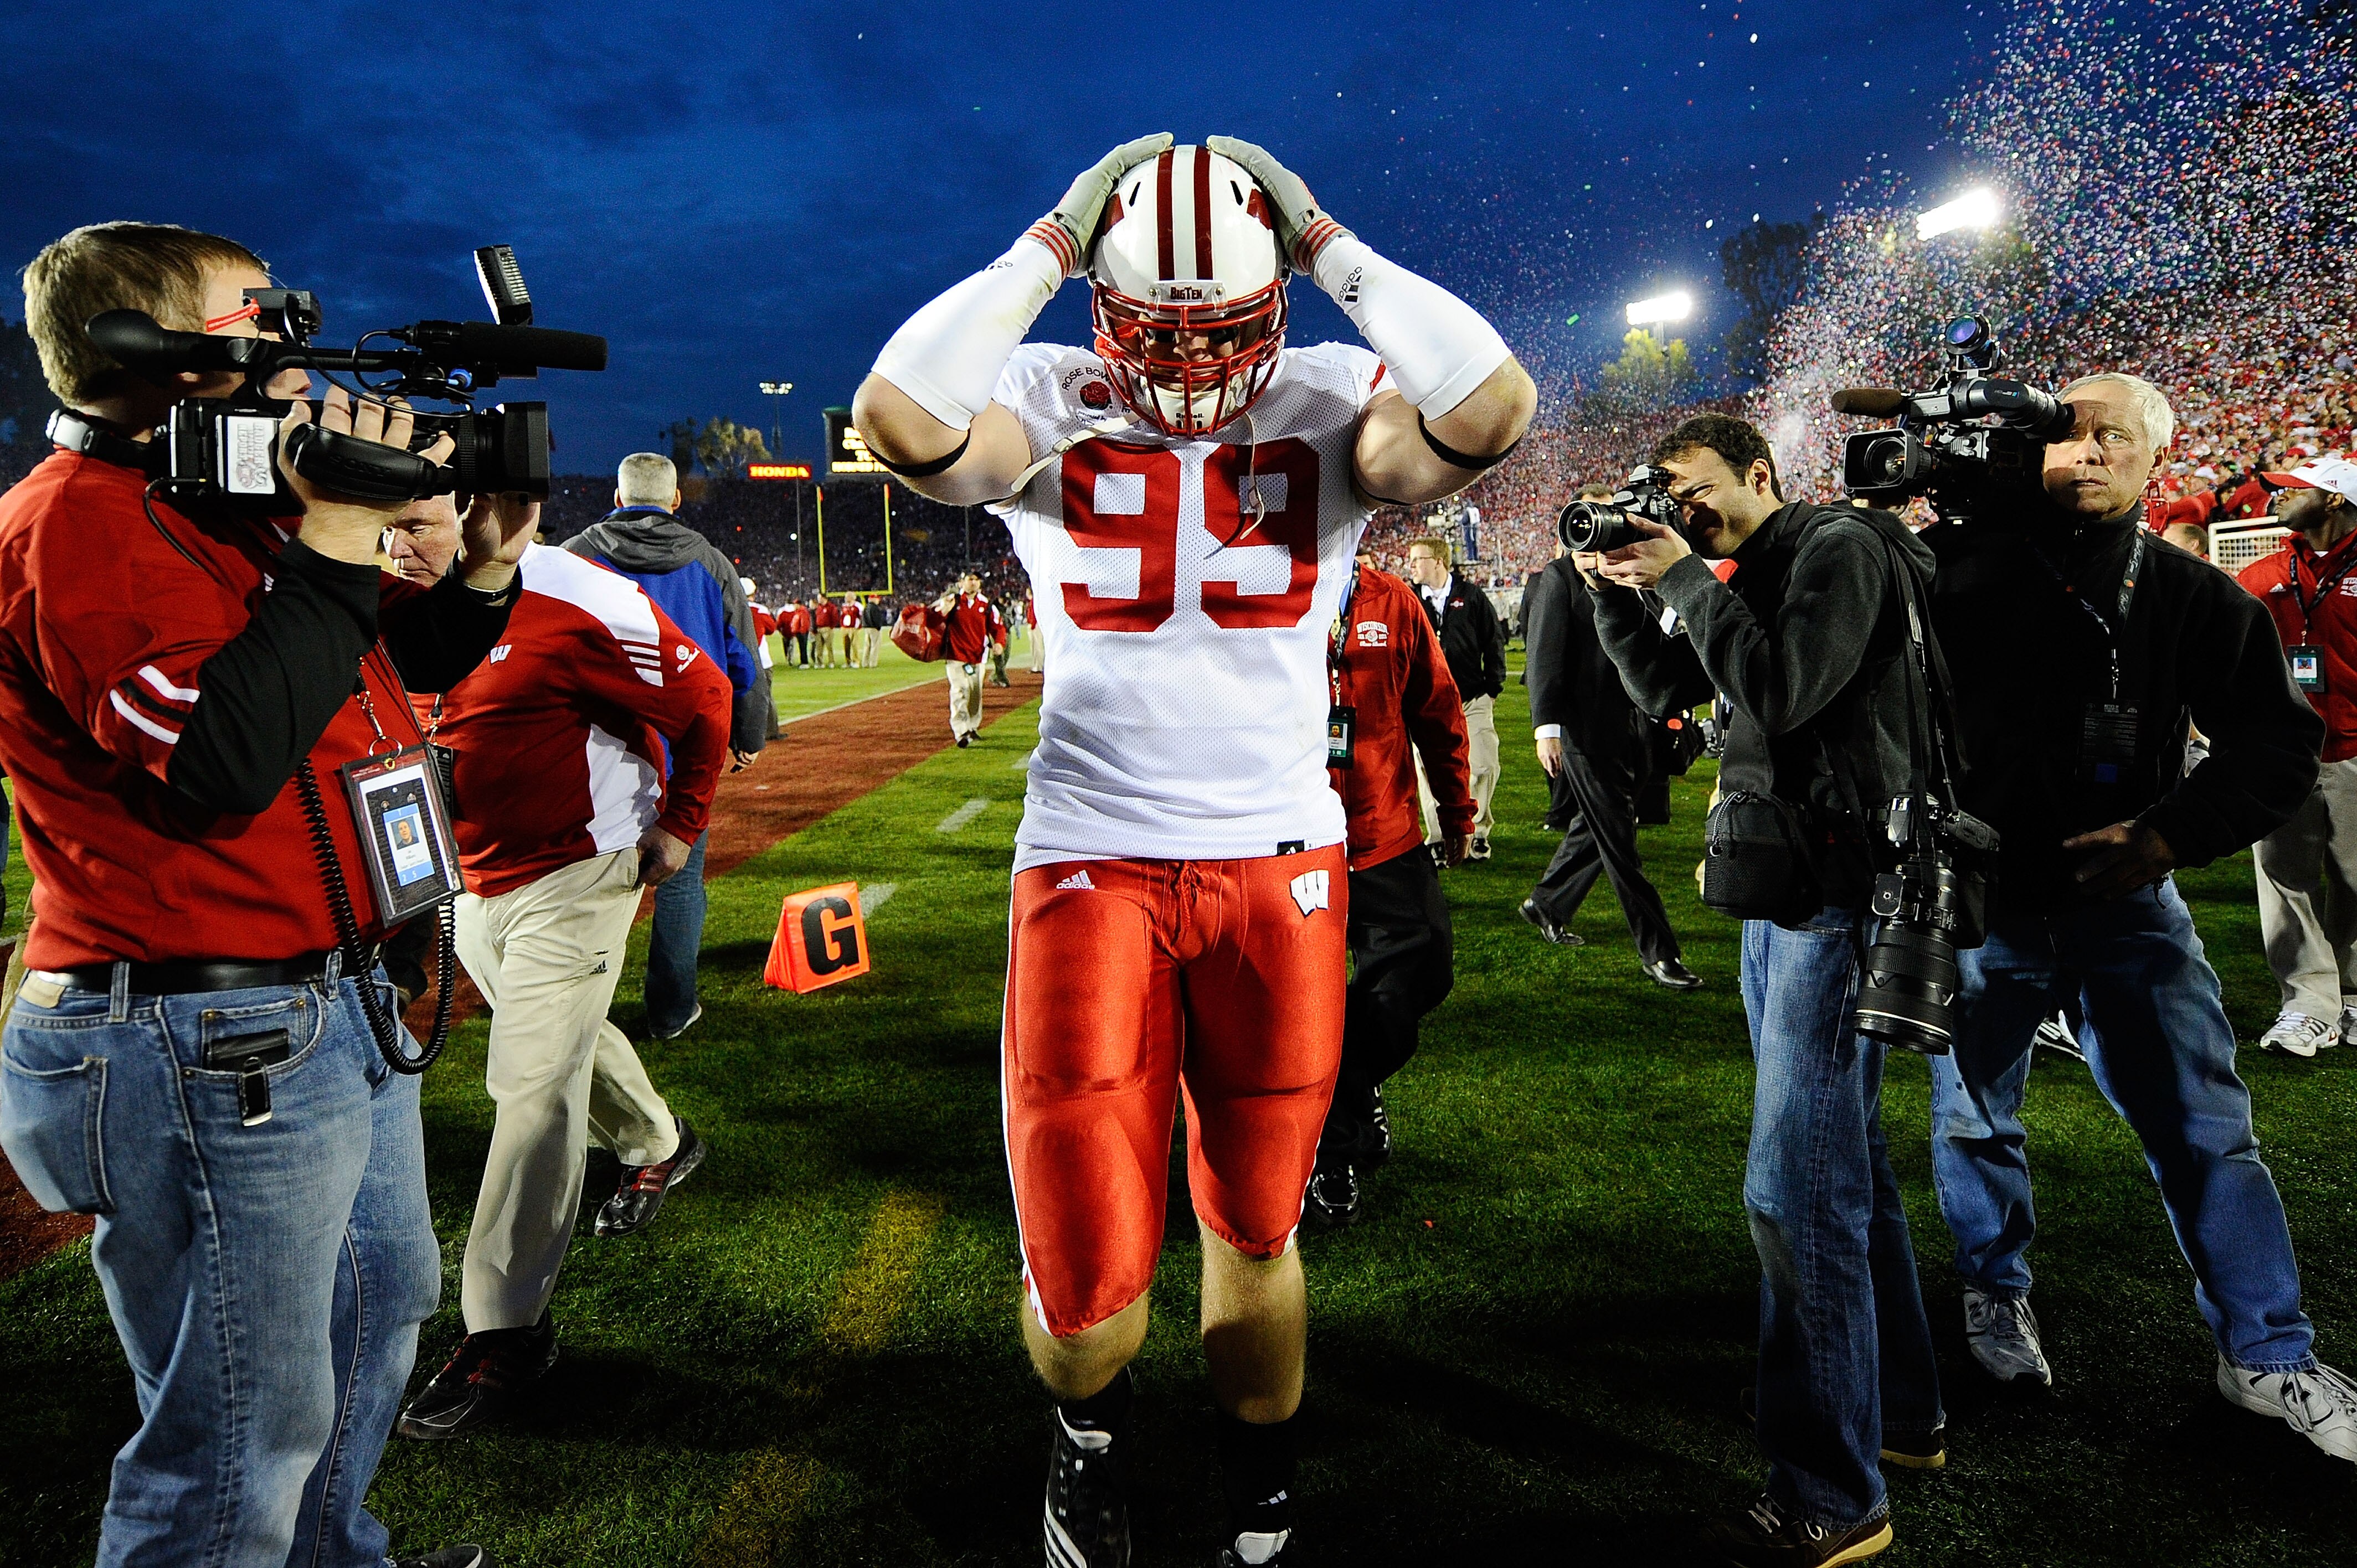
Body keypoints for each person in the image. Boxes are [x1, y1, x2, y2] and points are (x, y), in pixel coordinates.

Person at [852, 134, 1532, 1567]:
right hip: (1092, 857)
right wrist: (1047, 235)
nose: (1191, 370)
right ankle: (1085, 1439)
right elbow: (902, 416)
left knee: (1259, 1224)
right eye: (1157, 333)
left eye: (1222, 331)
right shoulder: (1038, 393)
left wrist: (1331, 240)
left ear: (1279, 301)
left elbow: (1494, 402)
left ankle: (1261, 1487)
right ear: (1100, 306)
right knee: (1090, 1286)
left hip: (1281, 862)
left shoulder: (1335, 394)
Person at [0, 221, 514, 1568]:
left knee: (376, 1305)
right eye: (255, 314)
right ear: (147, 349)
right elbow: (224, 757)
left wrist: (482, 555)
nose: (291, 337)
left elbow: (393, 655)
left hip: (320, 999)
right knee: (242, 1417)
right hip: (195, 1027)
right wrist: (339, 526)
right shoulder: (77, 522)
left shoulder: (209, 501)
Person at [1922, 374, 2357, 1459]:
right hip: (1980, 905)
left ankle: (2265, 1352)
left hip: (2130, 907)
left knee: (2209, 1132)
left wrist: (2165, 836)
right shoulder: (1948, 571)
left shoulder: (2190, 595)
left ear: (2156, 460)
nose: (2082, 455)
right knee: (1975, 1119)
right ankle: (1991, 1290)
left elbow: (2274, 742)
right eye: (2062, 435)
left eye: (2111, 437)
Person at [1586, 412, 1945, 1566]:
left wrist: (1686, 572)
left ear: (1759, 474)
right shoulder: (1760, 566)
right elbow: (1660, 688)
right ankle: (1898, 1418)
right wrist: (1607, 584)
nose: (1679, 511)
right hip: (1785, 893)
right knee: (1849, 1170)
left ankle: (1830, 1495)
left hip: (1836, 896)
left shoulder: (1838, 543)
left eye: (1691, 490)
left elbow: (1783, 694)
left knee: (1795, 1187)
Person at [379, 496, 729, 1439]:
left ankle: (506, 1325)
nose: (396, 544)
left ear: (481, 512)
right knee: (561, 1038)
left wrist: (682, 824)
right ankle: (660, 1140)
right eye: (388, 521)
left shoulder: (576, 597)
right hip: (465, 873)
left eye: (416, 522)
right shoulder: (371, 591)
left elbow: (706, 702)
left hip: (579, 866)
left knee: (531, 1084)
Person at [563, 455, 766, 1041]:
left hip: (589, 759)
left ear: (619, 496)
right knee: (679, 889)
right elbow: (742, 663)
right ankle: (671, 1012)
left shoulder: (573, 554)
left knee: (581, 894)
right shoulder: (710, 562)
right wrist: (748, 735)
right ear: (676, 500)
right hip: (682, 760)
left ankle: (576, 1021)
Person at [1308, 552, 1473, 1226]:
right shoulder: (1263, 591)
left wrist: (1456, 808)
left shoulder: (1391, 599)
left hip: (1384, 833)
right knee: (1290, 1005)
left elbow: (1436, 706)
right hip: (1291, 838)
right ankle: (1330, 1146)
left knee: (1423, 973)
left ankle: (1349, 1085)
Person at [1520, 530, 1696, 987]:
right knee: (1620, 844)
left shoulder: (1633, 574)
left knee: (1598, 829)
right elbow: (1544, 653)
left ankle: (1547, 902)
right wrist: (1548, 728)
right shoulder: (1559, 578)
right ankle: (1659, 952)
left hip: (1637, 728)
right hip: (1587, 732)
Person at [2236, 457, 2357, 1055]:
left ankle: (2350, 994)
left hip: (2356, 747)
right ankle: (2307, 1003)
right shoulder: (2261, 572)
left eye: (2292, 491)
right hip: (2284, 752)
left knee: (2355, 881)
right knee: (2284, 880)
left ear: (2333, 501)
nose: (2276, 499)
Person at [1402, 535, 1505, 859]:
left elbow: (1494, 641)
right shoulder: (1407, 599)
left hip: (1471, 696)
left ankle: (1476, 832)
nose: (1412, 566)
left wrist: (1494, 686)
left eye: (1418, 559)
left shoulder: (1471, 596)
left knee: (1484, 765)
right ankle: (1438, 837)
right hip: (1427, 701)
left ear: (1438, 562)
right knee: (1427, 770)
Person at [934, 571, 993, 746]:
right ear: (962, 583)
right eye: (970, 579)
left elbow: (996, 625)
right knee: (959, 690)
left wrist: (999, 642)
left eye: (976, 580)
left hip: (978, 656)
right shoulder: (953, 601)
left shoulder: (986, 604)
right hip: (956, 655)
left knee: (975, 694)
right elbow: (935, 619)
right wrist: (944, 610)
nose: (973, 583)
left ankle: (973, 727)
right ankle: (961, 731)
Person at [743, 577, 783, 740]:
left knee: (740, 697)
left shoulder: (727, 607)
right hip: (762, 661)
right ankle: (771, 731)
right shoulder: (760, 610)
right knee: (766, 697)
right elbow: (771, 629)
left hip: (738, 661)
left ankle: (741, 733)